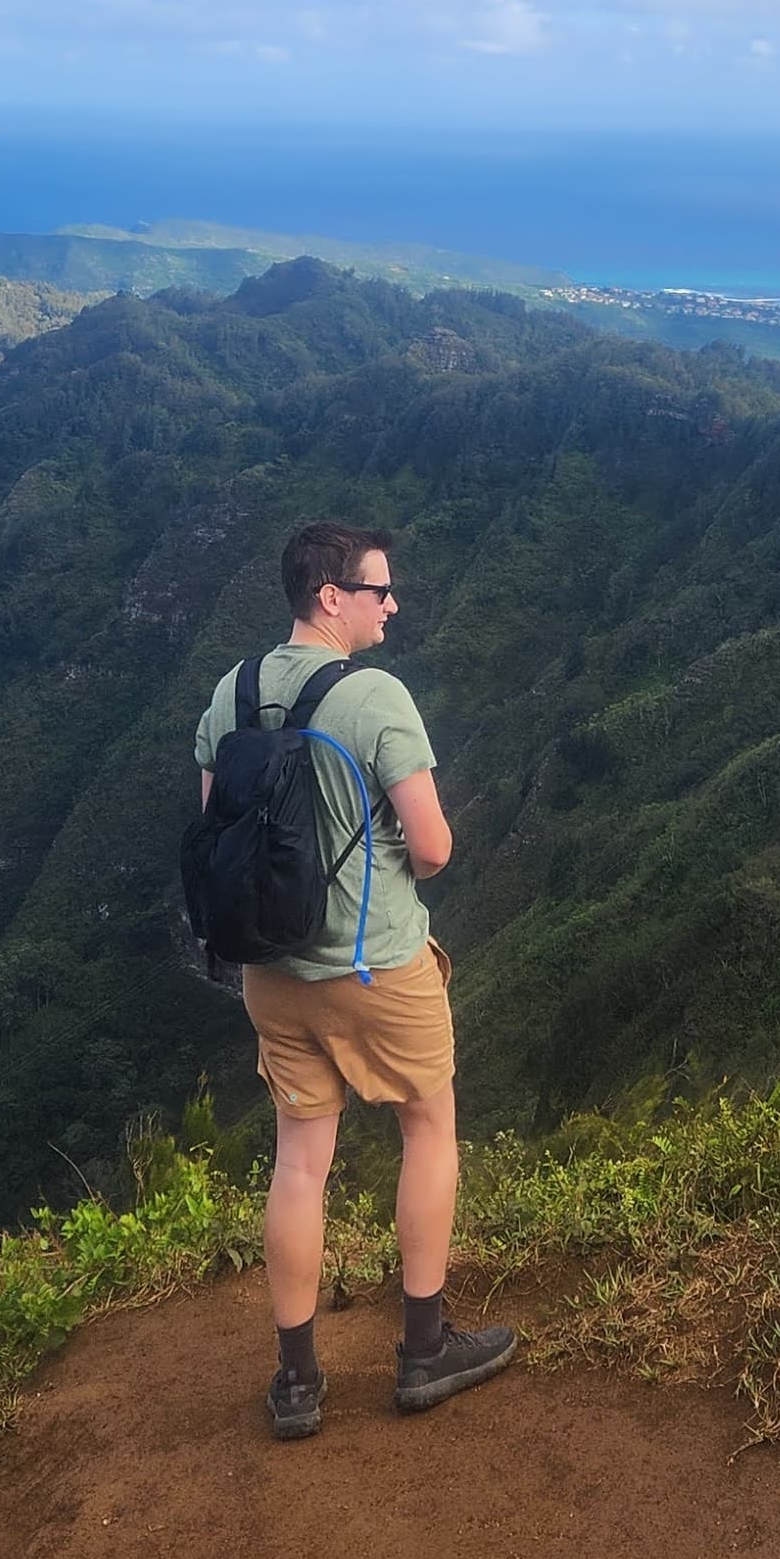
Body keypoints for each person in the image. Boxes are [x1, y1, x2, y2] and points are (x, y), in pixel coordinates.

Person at [195, 519, 517, 1439]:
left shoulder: (236, 690)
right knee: (429, 1128)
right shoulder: (376, 696)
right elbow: (436, 846)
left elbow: (215, 828)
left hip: (271, 971)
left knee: (300, 1161)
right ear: (330, 596)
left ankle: (297, 1381)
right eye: (380, 590)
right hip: (375, 964)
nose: (393, 604)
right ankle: (423, 1350)